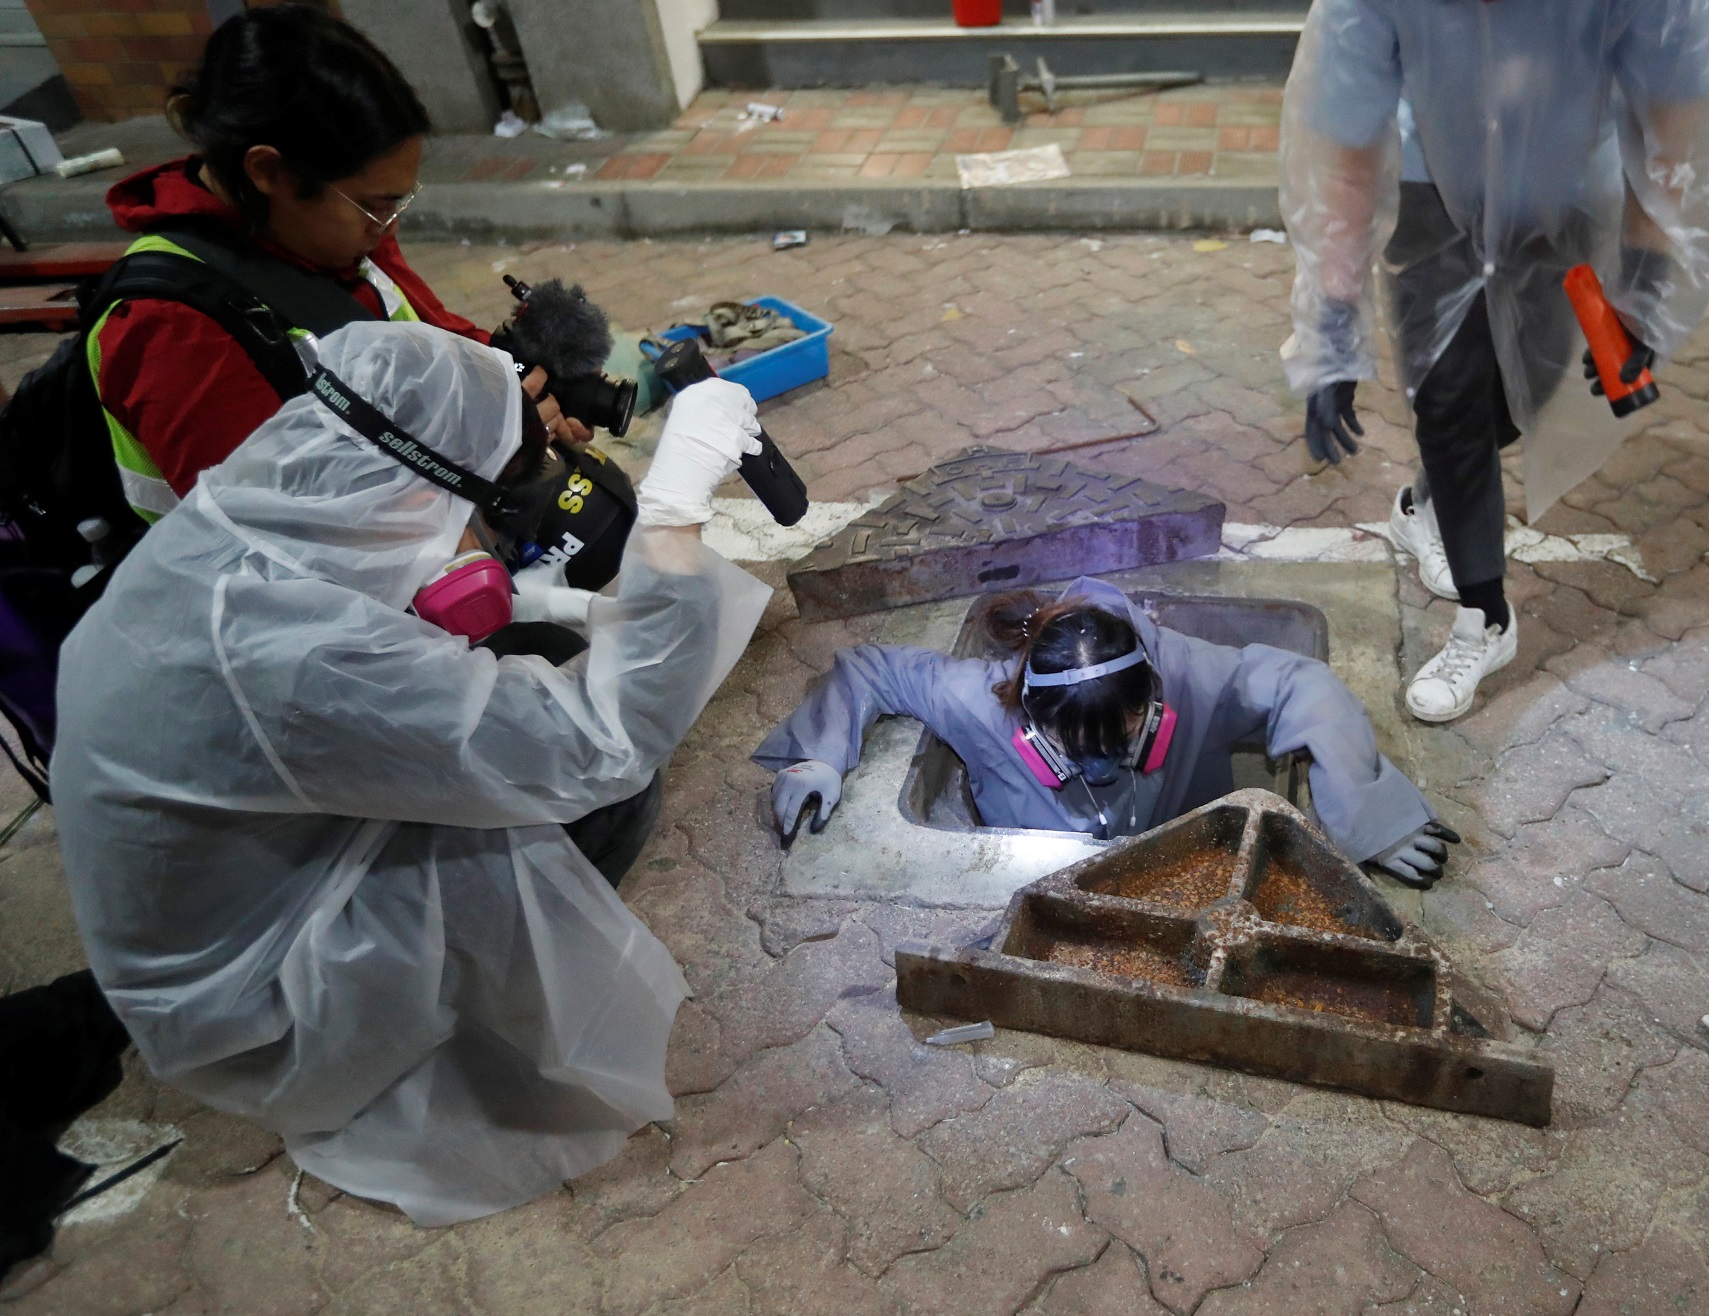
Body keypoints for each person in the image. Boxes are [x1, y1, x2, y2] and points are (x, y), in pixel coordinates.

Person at [49, 321, 771, 1225]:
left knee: (528, 673)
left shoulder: (235, 525)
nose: (477, 540)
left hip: (207, 913)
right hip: (252, 1010)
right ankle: (433, 1058)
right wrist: (671, 518)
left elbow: (372, 622)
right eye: (476, 513)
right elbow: (597, 743)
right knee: (580, 804)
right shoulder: (294, 660)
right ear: (422, 488)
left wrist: (550, 596)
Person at [1280, 0, 1709, 722]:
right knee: (1448, 393)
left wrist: (1644, 289)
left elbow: (1674, 113)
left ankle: (1427, 500)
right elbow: (1344, 144)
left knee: (1522, 398)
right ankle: (1486, 616)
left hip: (1563, 183)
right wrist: (1332, 328)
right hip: (1440, 178)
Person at [92, 4, 590, 524]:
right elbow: (296, 535)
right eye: (374, 204)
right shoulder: (170, 332)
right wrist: (486, 454)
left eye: (398, 201)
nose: (388, 225)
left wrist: (517, 386)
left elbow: (428, 332)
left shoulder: (332, 234)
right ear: (269, 172)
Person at [755, 578, 1458, 888]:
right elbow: (871, 669)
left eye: (1119, 741)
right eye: (1076, 749)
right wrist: (823, 755)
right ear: (1027, 715)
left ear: (1154, 697)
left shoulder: (1191, 673)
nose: (1100, 766)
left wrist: (1368, 815)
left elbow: (1306, 685)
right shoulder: (979, 700)